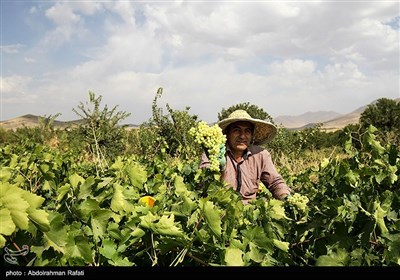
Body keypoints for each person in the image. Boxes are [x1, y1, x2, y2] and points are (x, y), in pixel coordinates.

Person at [200, 109, 292, 204]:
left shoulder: (260, 155)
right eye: (237, 130)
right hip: (221, 210)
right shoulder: (213, 152)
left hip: (250, 212)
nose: (242, 136)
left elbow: (275, 182)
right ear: (227, 133)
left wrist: (285, 196)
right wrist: (220, 170)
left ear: (252, 135)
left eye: (247, 131)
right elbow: (203, 186)